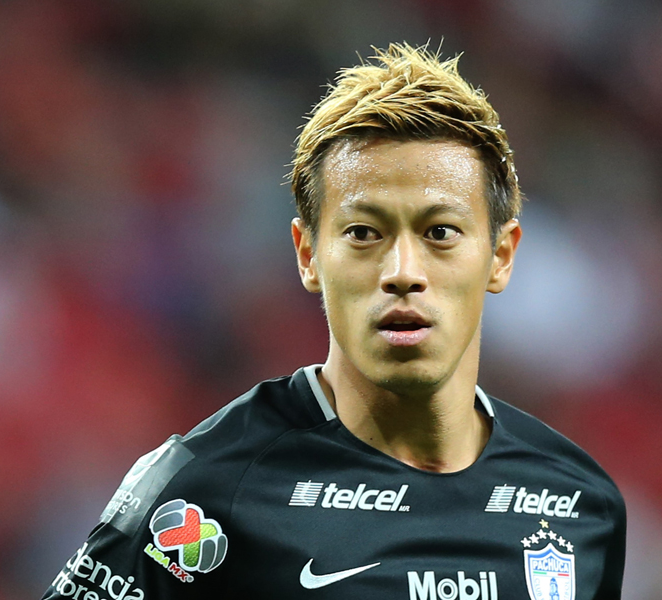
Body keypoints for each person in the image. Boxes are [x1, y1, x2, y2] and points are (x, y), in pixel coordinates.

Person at [41, 42, 626, 600]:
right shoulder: (207, 490)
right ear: (308, 255)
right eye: (364, 233)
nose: (403, 272)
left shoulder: (580, 504)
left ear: (500, 255)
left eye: (440, 232)